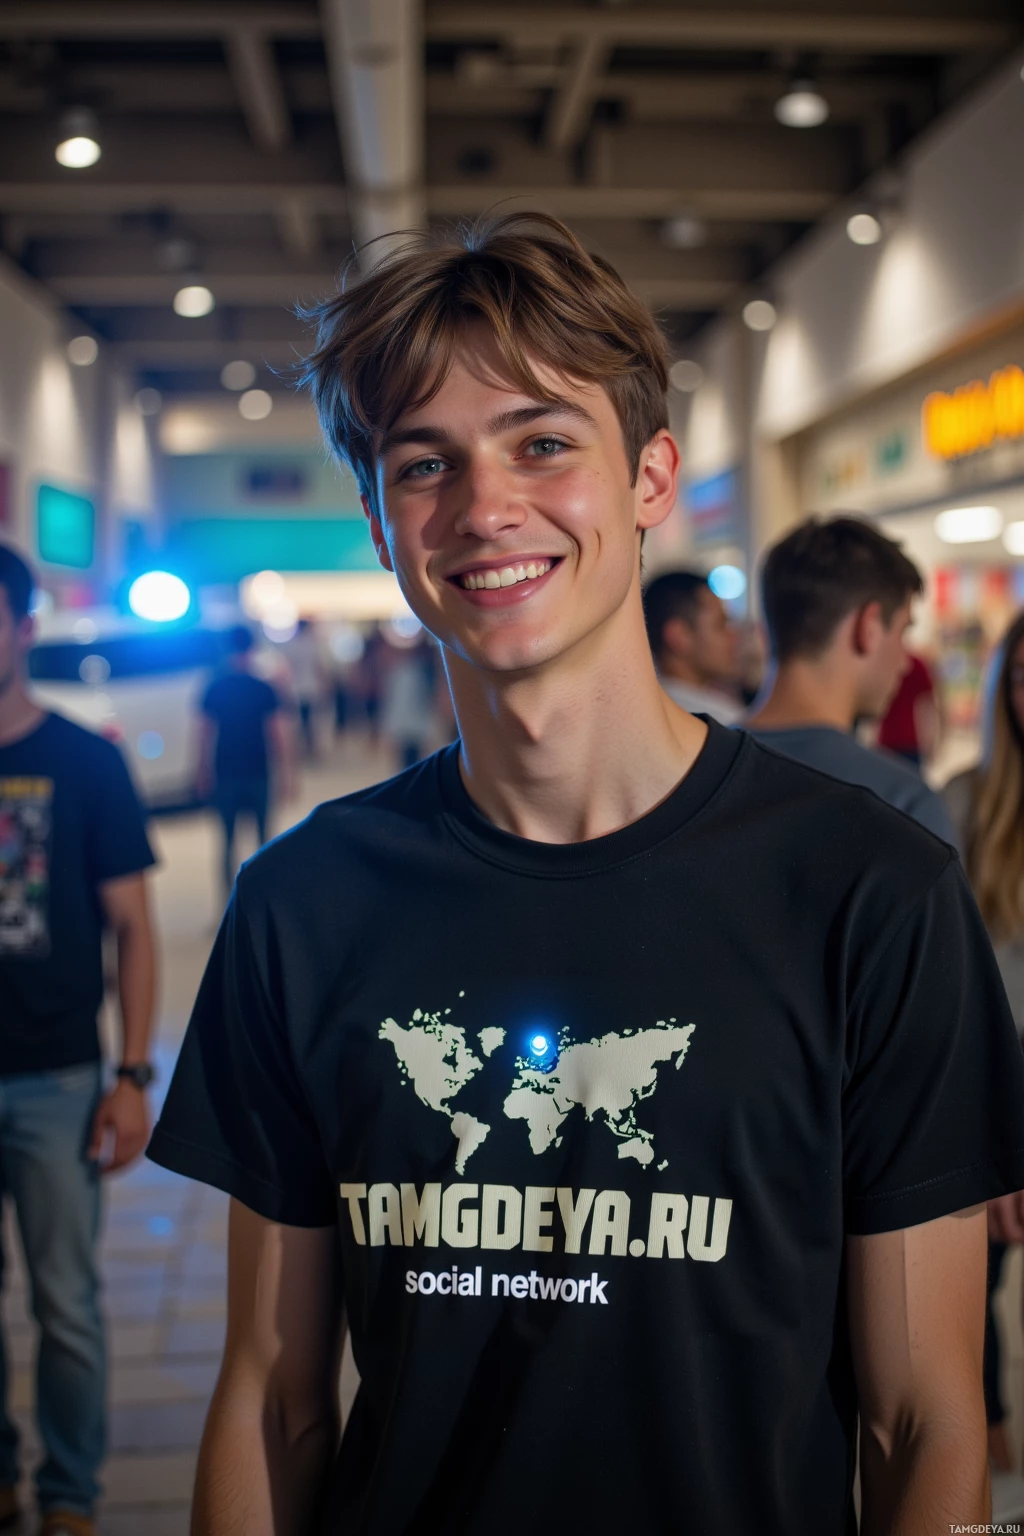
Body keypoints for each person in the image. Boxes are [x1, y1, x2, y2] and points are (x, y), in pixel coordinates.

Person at [148, 213, 1024, 1535]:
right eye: (424, 463)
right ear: (381, 525)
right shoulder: (302, 905)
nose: (484, 508)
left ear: (649, 476)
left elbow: (923, 1423)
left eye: (543, 443)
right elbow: (272, 1399)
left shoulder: (871, 893)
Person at [0, 544, 157, 1536]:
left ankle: (69, 1496)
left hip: (56, 1078)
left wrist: (132, 1074)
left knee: (64, 1301)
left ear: (22, 628)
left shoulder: (85, 761)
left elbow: (134, 927)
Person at [747, 515, 956, 843]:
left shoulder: (692, 769)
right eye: (902, 631)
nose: (904, 663)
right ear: (868, 628)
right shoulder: (903, 804)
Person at [945, 610, 1024, 1472]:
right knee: (978, 1296)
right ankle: (994, 1495)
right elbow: (965, 996)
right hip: (1005, 1073)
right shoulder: (965, 804)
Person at [196, 625, 292, 900]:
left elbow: (204, 733)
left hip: (225, 771)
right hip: (259, 770)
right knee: (265, 841)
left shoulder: (214, 686)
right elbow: (277, 733)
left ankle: (230, 903)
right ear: (252, 648)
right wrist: (287, 773)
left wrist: (202, 770)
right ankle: (266, 901)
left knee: (226, 842)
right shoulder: (263, 687)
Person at [642, 568, 743, 724]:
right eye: (720, 625)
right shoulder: (721, 723)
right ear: (679, 636)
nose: (733, 636)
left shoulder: (643, 707)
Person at [877, 651, 940, 769]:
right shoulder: (916, 664)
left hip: (899, 743)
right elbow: (927, 708)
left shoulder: (886, 662)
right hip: (902, 742)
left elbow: (926, 707)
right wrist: (930, 743)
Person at [283, 618, 326, 760]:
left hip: (295, 689)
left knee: (297, 723)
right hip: (310, 688)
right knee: (311, 722)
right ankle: (311, 750)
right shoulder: (311, 645)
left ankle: (298, 750)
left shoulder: (291, 645)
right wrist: (324, 684)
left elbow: (287, 669)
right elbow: (318, 667)